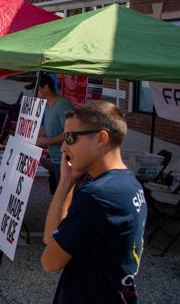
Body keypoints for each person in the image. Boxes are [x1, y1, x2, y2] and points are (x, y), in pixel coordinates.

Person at [41, 101, 147, 303]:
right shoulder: (130, 184)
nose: (63, 147)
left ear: (101, 138)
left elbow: (49, 262)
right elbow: (50, 237)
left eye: (70, 138)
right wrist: (66, 181)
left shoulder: (98, 195)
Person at [35, 74, 75, 195]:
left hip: (65, 161)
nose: (36, 93)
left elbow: (71, 134)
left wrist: (47, 141)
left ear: (46, 87)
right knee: (56, 196)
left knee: (64, 198)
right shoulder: (47, 106)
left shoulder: (62, 105)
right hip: (54, 160)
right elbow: (51, 127)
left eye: (38, 89)